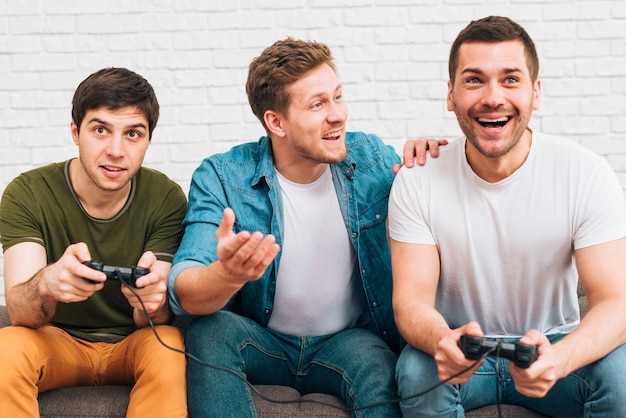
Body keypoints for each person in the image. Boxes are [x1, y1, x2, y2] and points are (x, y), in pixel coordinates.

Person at [166, 37, 443, 418]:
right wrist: (226, 276)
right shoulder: (223, 176)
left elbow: (433, 213)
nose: (338, 115)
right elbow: (184, 287)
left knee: (378, 364)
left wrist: (437, 164)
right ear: (275, 122)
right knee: (207, 334)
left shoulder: (373, 159)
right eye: (318, 104)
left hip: (347, 342)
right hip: (263, 340)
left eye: (338, 97)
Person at [389, 15, 626, 417]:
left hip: (553, 346)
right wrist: (442, 341)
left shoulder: (585, 172)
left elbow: (616, 303)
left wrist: (561, 359)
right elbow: (410, 301)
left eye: (510, 79)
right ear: (451, 95)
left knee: (621, 377)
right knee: (416, 372)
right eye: (474, 80)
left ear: (536, 92)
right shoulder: (418, 178)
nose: (492, 97)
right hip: (461, 353)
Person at [0, 67, 188, 417]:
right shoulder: (26, 193)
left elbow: (158, 318)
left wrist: (151, 298)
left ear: (149, 140)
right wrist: (46, 284)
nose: (116, 150)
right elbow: (20, 314)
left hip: (133, 343)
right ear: (76, 131)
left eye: (133, 133)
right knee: (6, 347)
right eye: (101, 130)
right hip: (55, 340)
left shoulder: (166, 198)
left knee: (170, 346)